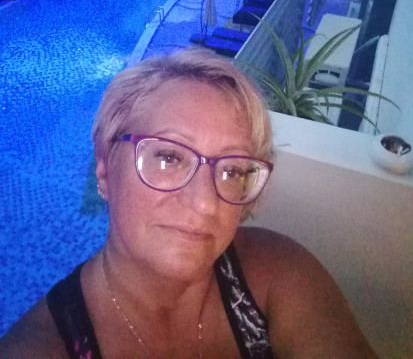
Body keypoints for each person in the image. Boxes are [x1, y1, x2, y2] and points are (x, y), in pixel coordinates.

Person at [0, 48, 379, 359]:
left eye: (232, 170)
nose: (204, 204)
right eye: (168, 157)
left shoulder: (280, 274)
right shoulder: (37, 348)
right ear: (104, 168)